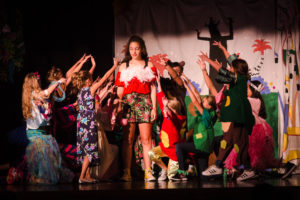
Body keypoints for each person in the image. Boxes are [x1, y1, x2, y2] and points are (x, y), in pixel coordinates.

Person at [200, 45, 256, 181]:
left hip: (240, 117)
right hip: (234, 117)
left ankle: (248, 169)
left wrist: (208, 60)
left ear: (236, 70)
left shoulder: (241, 79)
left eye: (232, 68)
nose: (229, 69)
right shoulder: (234, 82)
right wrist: (216, 52)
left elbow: (223, 68)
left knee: (239, 143)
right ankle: (218, 165)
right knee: (226, 141)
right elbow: (227, 66)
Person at [115, 35, 157, 182]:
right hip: (128, 104)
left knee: (146, 139)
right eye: (131, 49)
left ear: (141, 49)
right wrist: (119, 107)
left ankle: (148, 171)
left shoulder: (148, 64)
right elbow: (120, 90)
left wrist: (154, 108)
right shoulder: (124, 66)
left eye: (137, 48)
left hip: (145, 102)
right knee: (128, 139)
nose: (134, 51)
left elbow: (152, 88)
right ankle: (126, 172)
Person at [22, 72, 74, 184]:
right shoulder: (33, 94)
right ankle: (38, 178)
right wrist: (58, 82)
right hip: (35, 133)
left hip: (41, 131)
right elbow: (46, 92)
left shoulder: (36, 97)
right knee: (44, 156)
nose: (39, 82)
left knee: (47, 157)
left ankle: (39, 177)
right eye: (37, 80)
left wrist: (47, 113)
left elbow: (44, 116)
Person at [223, 80, 281, 177]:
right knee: (246, 151)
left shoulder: (253, 100)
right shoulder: (253, 100)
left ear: (253, 90)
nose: (245, 90)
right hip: (253, 128)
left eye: (247, 89)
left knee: (249, 151)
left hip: (254, 130)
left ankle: (248, 170)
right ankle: (242, 170)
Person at [75, 58, 119, 184]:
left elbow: (86, 75)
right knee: (90, 149)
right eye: (90, 78)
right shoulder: (90, 89)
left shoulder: (80, 92)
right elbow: (105, 77)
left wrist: (93, 65)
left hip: (81, 122)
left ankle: (87, 175)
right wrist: (114, 66)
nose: (92, 80)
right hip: (88, 121)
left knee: (86, 148)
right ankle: (82, 176)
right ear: (88, 80)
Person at [171, 74, 216, 181]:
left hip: (202, 144)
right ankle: (222, 175)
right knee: (203, 175)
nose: (202, 100)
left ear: (209, 106)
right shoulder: (208, 112)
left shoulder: (207, 114)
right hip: (205, 147)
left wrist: (186, 87)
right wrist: (189, 82)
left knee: (179, 147)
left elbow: (195, 101)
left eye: (205, 101)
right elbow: (197, 95)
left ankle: (182, 173)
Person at [148, 75, 187, 181]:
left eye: (169, 108)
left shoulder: (178, 118)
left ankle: (175, 171)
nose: (165, 110)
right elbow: (162, 99)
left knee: (171, 177)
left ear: (174, 110)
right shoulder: (167, 114)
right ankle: (164, 169)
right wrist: (158, 84)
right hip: (164, 147)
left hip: (174, 151)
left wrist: (166, 107)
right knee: (151, 153)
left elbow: (168, 111)